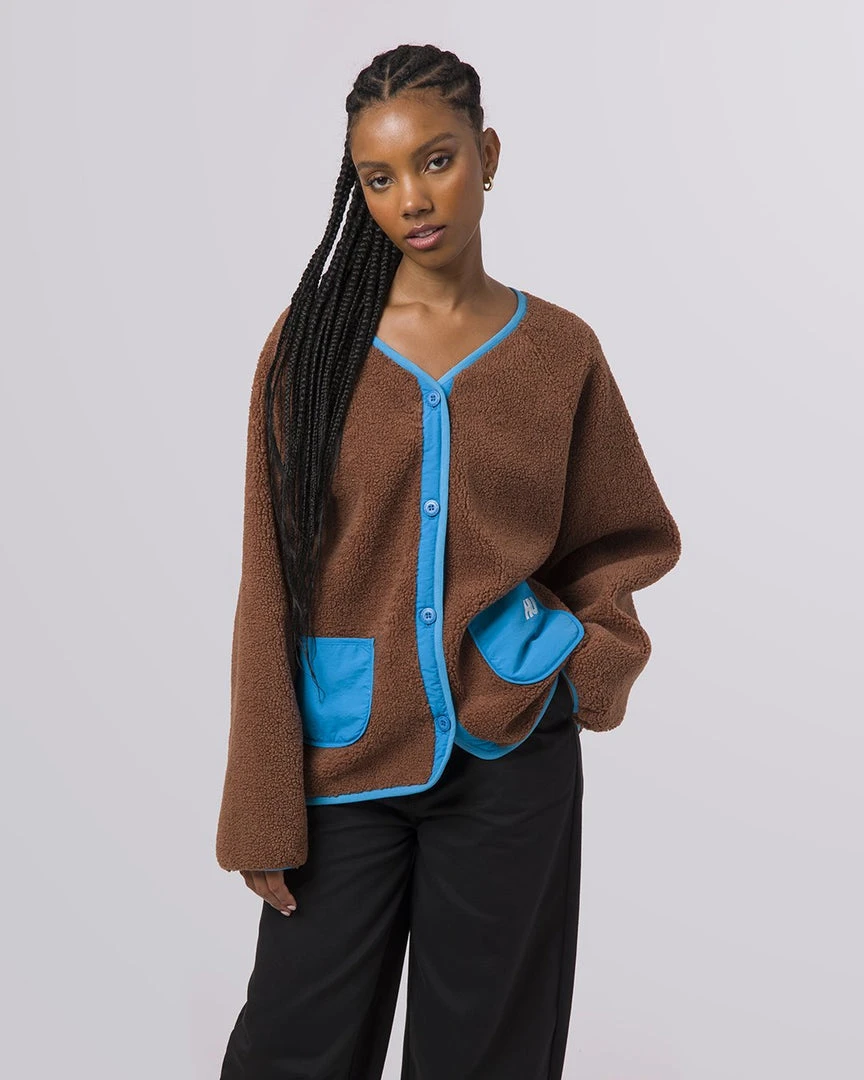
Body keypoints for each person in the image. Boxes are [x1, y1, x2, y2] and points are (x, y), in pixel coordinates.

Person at [216, 42, 681, 1080]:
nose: (412, 199)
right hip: (343, 756)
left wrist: (583, 668)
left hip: (511, 749)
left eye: (436, 160)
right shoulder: (312, 348)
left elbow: (623, 536)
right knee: (291, 1047)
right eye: (378, 177)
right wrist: (259, 803)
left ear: (488, 154)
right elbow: (268, 578)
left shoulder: (559, 351)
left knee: (489, 1059)